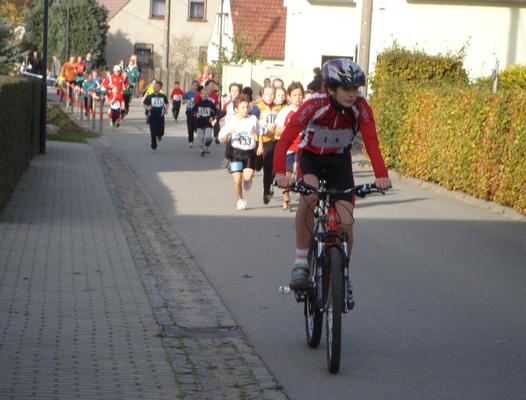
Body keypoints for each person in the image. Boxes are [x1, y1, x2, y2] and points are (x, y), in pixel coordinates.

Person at [274, 59, 391, 291]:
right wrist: (280, 172)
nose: (352, 94)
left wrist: (381, 175)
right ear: (331, 88)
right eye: (346, 89)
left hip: (339, 161)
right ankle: (300, 262)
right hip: (311, 157)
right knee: (309, 198)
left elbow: (371, 141)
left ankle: (343, 275)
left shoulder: (361, 107)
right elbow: (286, 138)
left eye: (356, 89)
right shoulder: (314, 103)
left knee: (346, 223)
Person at [218, 94, 262, 210]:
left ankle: (249, 180)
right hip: (236, 153)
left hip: (249, 153)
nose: (245, 109)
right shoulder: (232, 121)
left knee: (247, 177)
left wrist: (260, 146)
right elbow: (221, 138)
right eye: (242, 107)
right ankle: (240, 199)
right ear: (236, 108)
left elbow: (260, 131)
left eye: (247, 107)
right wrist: (228, 134)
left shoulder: (253, 119)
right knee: (237, 180)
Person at [275, 81, 305, 211]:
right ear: (289, 96)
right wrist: (289, 127)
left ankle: (304, 198)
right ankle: (286, 198)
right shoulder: (285, 112)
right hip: (289, 148)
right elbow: (277, 131)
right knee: (287, 173)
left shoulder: (307, 110)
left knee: (301, 171)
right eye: (294, 95)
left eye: (300, 95)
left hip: (303, 146)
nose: (297, 98)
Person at [255, 85, 283, 204]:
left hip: (270, 140)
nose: (269, 97)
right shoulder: (257, 107)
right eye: (267, 94)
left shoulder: (279, 108)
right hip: (257, 139)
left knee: (268, 166)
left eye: (272, 94)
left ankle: (266, 191)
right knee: (257, 166)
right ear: (262, 95)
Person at [191, 86, 217, 157]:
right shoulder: (198, 104)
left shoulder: (211, 103)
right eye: (203, 94)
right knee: (200, 139)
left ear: (208, 95)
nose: (204, 95)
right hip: (199, 123)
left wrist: (212, 116)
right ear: (201, 95)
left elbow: (215, 112)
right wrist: (196, 114)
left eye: (206, 94)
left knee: (208, 137)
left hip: (208, 123)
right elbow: (192, 112)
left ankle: (207, 144)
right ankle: (203, 149)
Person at [143, 80, 169, 152]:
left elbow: (167, 103)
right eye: (154, 86)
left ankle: (160, 135)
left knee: (161, 130)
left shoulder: (162, 96)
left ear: (160, 88)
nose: (155, 87)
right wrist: (148, 108)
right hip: (152, 115)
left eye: (157, 86)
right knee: (153, 131)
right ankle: (153, 145)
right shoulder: (150, 96)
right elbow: (144, 104)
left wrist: (166, 109)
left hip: (161, 115)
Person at [183, 80, 199, 147]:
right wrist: (185, 101)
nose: (195, 87)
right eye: (194, 85)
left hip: (196, 112)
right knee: (190, 127)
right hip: (189, 111)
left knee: (195, 126)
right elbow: (183, 101)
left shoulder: (198, 94)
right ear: (191, 85)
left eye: (196, 86)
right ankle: (191, 141)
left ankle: (195, 128)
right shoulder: (188, 93)